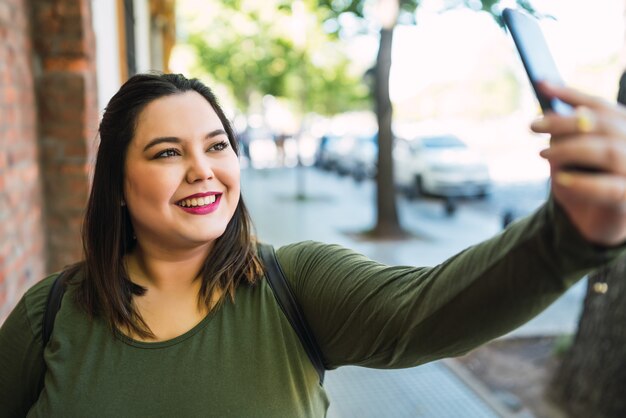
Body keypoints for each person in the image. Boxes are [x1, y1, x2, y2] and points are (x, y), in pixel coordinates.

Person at [1, 73, 625, 417]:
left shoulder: (292, 284)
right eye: (168, 153)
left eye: (217, 145)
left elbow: (429, 308)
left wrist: (569, 235)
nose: (203, 170)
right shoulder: (50, 314)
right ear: (115, 184)